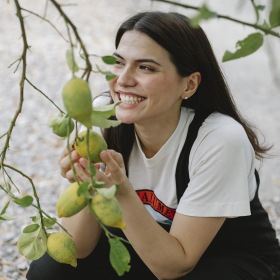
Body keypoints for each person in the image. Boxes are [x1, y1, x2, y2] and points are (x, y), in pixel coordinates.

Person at [27, 11, 280, 280]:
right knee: (50, 269)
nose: (123, 80)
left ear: (189, 84)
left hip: (223, 259)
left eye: (145, 67)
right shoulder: (102, 117)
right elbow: (77, 247)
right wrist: (88, 185)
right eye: (118, 63)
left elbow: (175, 266)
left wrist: (123, 191)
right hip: (146, 243)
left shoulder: (219, 139)